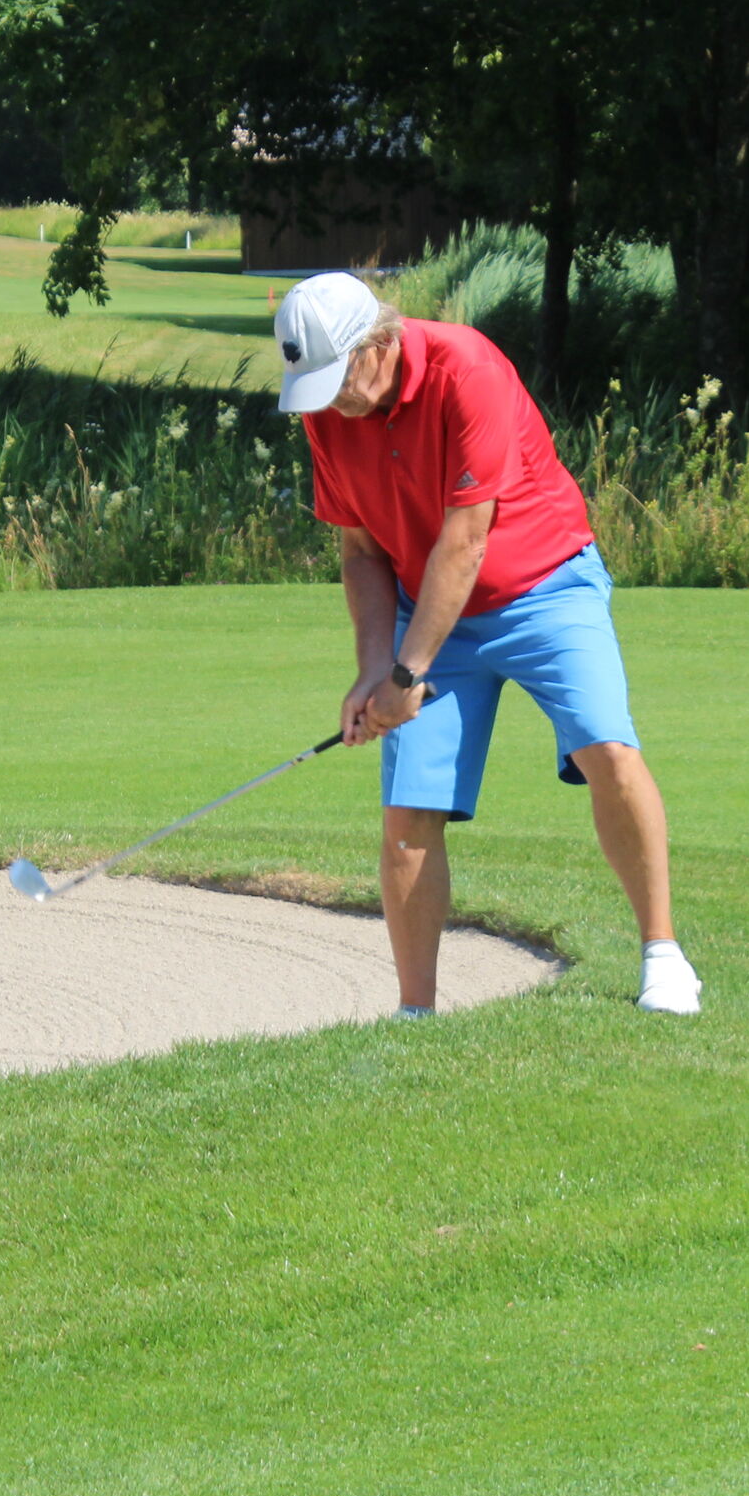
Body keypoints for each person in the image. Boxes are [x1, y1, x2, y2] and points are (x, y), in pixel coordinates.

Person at [273, 270, 701, 1017]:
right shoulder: (331, 415)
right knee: (409, 810)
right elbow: (361, 550)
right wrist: (373, 671)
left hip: (546, 589)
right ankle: (415, 1013)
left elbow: (467, 539)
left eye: (338, 377)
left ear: (377, 342)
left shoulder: (465, 368)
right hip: (429, 609)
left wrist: (405, 673)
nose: (332, 399)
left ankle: (663, 957)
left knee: (606, 746)